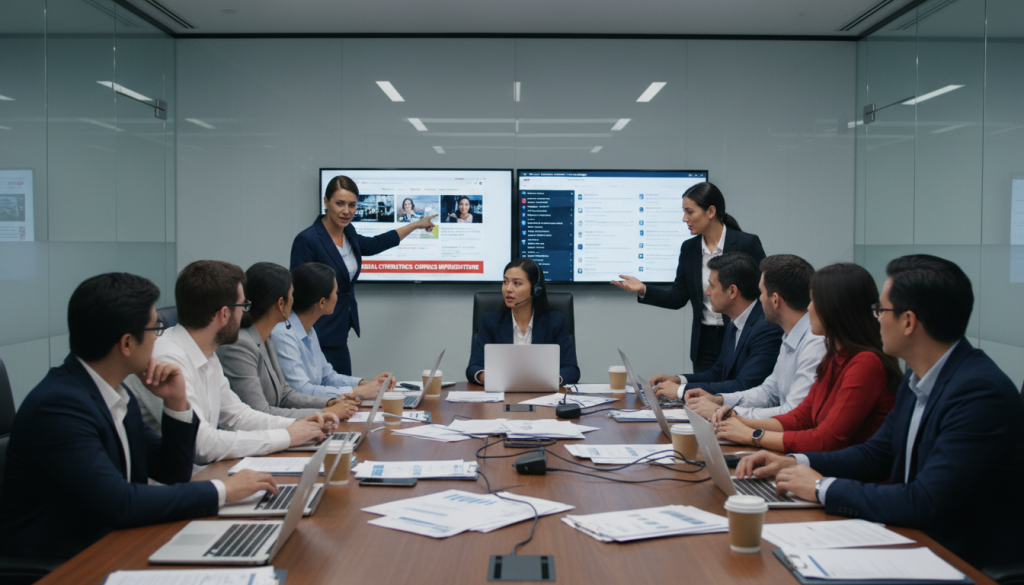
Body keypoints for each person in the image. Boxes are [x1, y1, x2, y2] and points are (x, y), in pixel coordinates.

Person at [735, 255, 1024, 570]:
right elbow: (876, 454)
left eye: (881, 310)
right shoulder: (919, 379)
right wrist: (793, 462)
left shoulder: (977, 392)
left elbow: (926, 501)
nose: (875, 318)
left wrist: (821, 487)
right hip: (915, 541)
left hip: (963, 560)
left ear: (908, 321)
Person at [0, 273, 277, 562]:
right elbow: (120, 502)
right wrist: (222, 490)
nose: (160, 337)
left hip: (116, 543)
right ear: (127, 344)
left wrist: (176, 401)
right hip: (64, 564)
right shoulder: (58, 407)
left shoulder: (116, 392)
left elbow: (172, 472)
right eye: (155, 328)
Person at [151, 260, 338, 469]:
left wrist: (300, 425)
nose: (246, 313)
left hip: (208, 475)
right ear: (224, 314)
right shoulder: (168, 358)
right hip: (183, 488)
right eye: (243, 306)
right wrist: (286, 436)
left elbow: (239, 416)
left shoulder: (208, 353)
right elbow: (202, 444)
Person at [714, 263, 901, 453]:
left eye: (813, 301)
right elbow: (802, 416)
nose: (808, 308)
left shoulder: (865, 363)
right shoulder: (835, 356)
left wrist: (752, 435)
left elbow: (826, 440)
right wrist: (741, 421)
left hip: (848, 476)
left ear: (833, 308)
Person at [612, 182, 766, 372]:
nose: (685, 219)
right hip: (704, 343)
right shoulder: (689, 248)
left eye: (689, 212)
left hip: (741, 334)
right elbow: (678, 297)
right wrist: (644, 289)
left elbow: (762, 293)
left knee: (737, 392)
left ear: (710, 211)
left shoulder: (746, 243)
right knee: (702, 396)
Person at [291, 175, 437, 375]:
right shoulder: (308, 239)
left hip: (340, 329)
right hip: (316, 331)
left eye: (352, 205)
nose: (346, 211)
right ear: (326, 202)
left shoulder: (348, 231)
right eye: (340, 203)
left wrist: (414, 225)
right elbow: (299, 292)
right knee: (328, 395)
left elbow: (375, 244)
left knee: (345, 393)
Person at [683, 254, 825, 421]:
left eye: (762, 293)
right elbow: (769, 392)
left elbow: (793, 412)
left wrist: (728, 413)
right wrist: (719, 400)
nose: (759, 299)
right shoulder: (789, 335)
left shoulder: (815, 344)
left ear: (775, 300)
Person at [216, 262, 358, 420]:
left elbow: (285, 394)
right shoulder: (240, 345)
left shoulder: (266, 337)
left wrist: (329, 402)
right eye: (291, 295)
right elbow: (260, 412)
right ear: (281, 303)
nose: (294, 299)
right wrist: (324, 413)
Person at [651, 252, 782, 399]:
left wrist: (680, 391)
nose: (707, 293)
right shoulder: (735, 320)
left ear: (732, 291)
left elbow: (744, 385)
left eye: (712, 286)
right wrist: (678, 380)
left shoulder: (766, 328)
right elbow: (718, 372)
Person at [272, 262, 395, 400]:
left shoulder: (309, 330)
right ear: (322, 302)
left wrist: (367, 384)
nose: (338, 297)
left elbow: (328, 377)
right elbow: (301, 391)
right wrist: (359, 391)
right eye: (336, 292)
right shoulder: (283, 335)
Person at [467, 258, 580, 385]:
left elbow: (571, 369)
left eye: (517, 283)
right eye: (505, 282)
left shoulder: (555, 322)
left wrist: (549, 381)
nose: (508, 289)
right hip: (501, 395)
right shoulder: (490, 321)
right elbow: (473, 367)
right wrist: (489, 377)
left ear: (535, 289)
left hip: (543, 396)